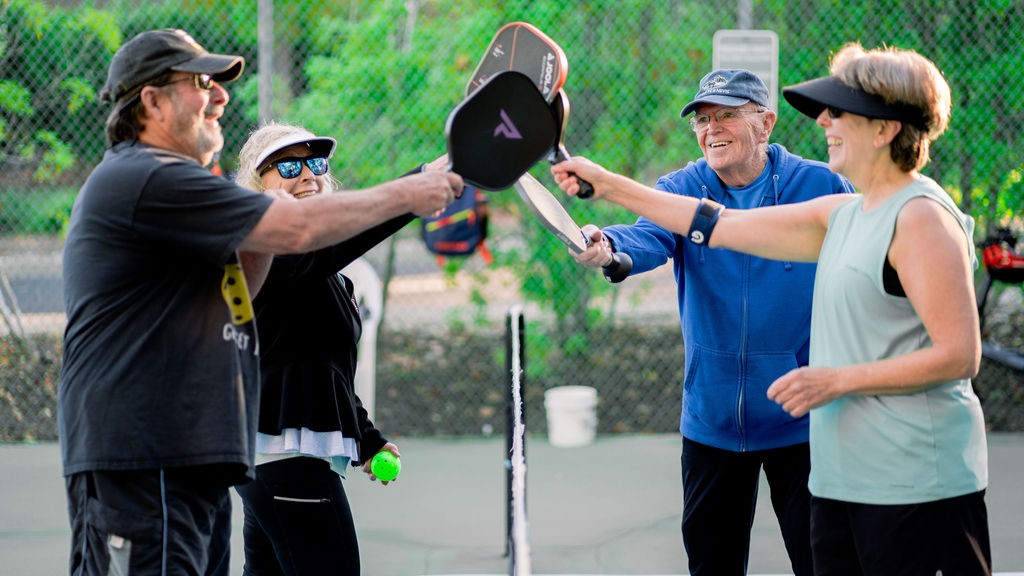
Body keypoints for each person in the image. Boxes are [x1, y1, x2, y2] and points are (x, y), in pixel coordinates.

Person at [553, 43, 989, 575]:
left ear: (885, 129)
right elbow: (715, 226)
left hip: (908, 470)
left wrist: (834, 381)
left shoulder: (908, 214)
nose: (825, 121)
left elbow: (959, 354)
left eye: (839, 111)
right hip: (842, 462)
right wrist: (611, 199)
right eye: (704, 119)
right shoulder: (845, 213)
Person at [58, 29, 460, 576]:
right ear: (150, 101)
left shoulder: (180, 189)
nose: (222, 96)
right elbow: (294, 236)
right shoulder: (147, 177)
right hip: (142, 457)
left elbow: (249, 285)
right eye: (202, 82)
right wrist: (412, 192)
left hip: (195, 461)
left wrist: (364, 437)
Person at [572, 69, 852, 575]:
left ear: (765, 123)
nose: (711, 129)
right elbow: (646, 237)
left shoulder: (820, 184)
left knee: (826, 565)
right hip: (712, 423)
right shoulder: (682, 187)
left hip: (804, 423)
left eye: (727, 115)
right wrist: (608, 248)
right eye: (703, 119)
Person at [231, 122, 432, 575]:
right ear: (257, 183)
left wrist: (366, 439)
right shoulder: (265, 246)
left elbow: (324, 367)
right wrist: (415, 188)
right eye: (287, 165)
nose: (307, 175)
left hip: (275, 461)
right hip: (285, 459)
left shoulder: (330, 274)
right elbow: (324, 245)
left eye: (315, 163)